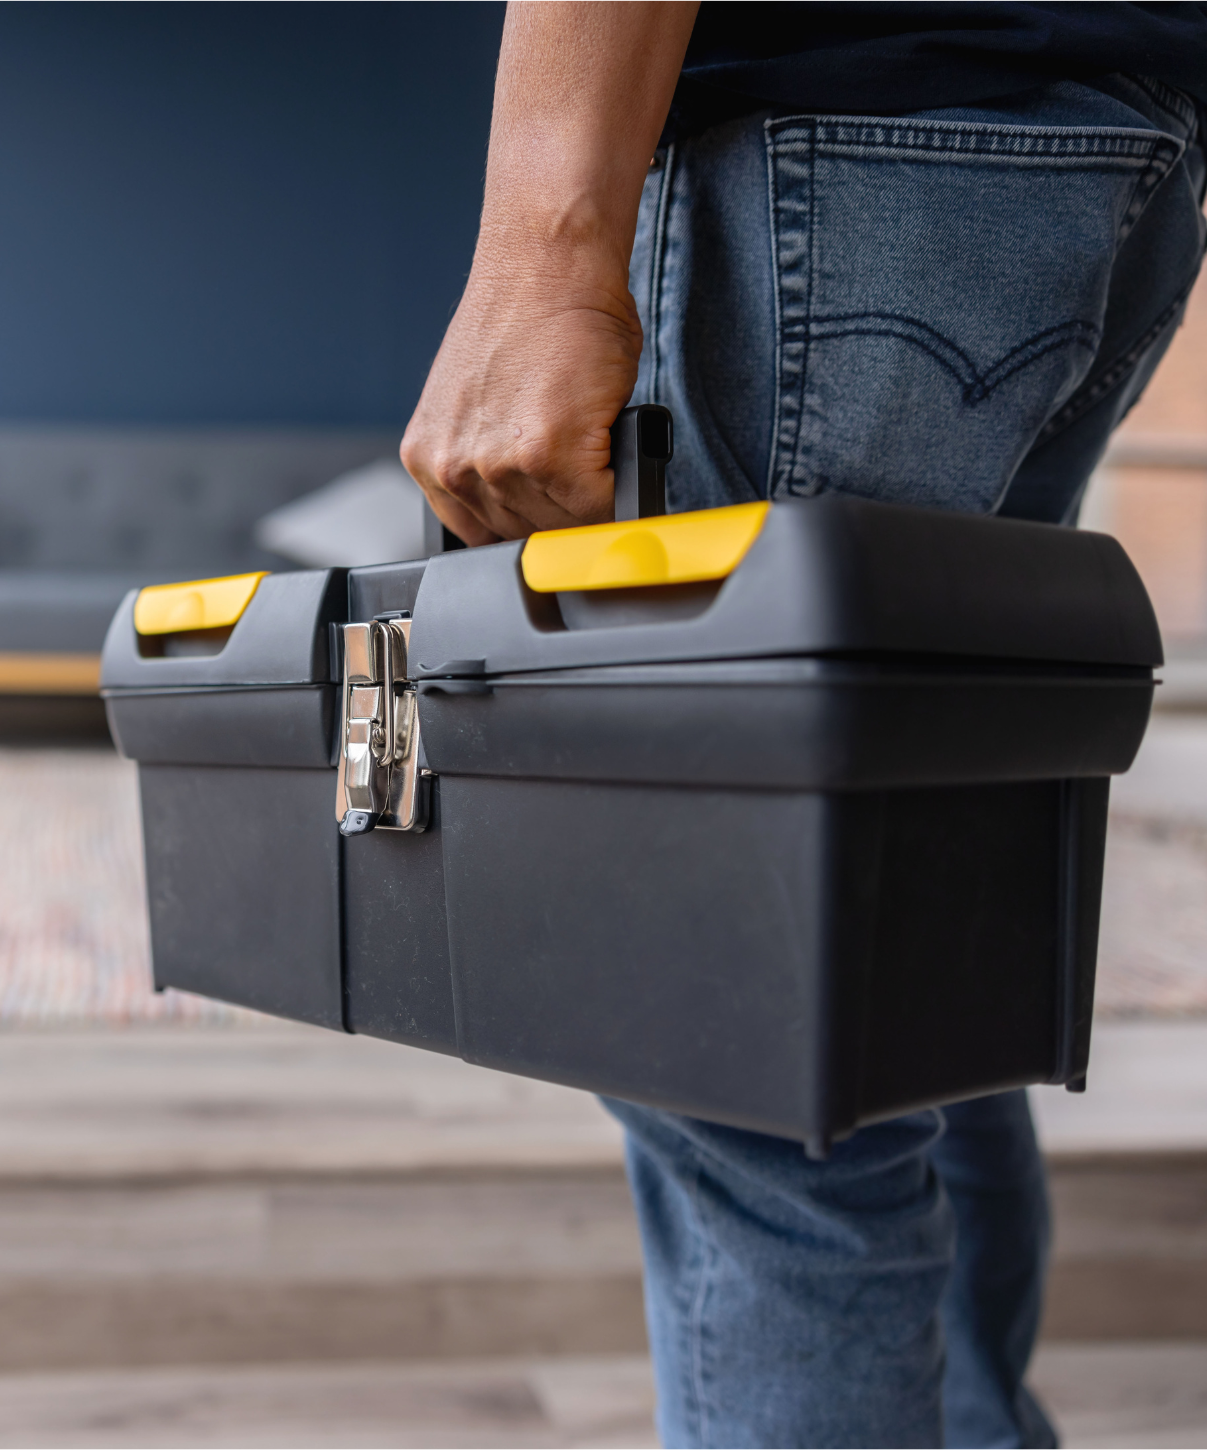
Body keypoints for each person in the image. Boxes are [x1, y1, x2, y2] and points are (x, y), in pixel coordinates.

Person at [399, 4, 1207, 1446]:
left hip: (830, 160)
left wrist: (543, 237)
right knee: (912, 959)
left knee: (740, 1054)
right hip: (1101, 153)